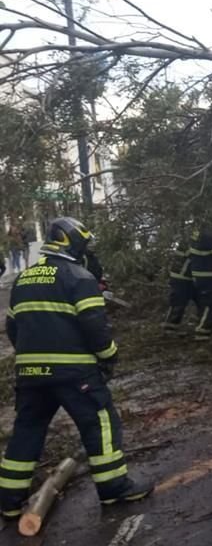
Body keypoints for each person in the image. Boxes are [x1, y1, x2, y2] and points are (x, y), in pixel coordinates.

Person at [0, 217, 153, 520]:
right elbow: (94, 326)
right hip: (75, 374)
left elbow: (12, 327)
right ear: (74, 243)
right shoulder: (79, 277)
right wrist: (109, 356)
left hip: (30, 374)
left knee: (27, 430)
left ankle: (8, 499)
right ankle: (114, 489)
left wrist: (33, 358)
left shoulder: (24, 279)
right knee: (101, 423)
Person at [162, 238, 196, 335]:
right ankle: (170, 329)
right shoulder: (193, 243)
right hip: (181, 277)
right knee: (178, 303)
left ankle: (173, 328)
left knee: (196, 301)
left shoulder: (190, 239)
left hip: (184, 277)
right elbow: (197, 257)